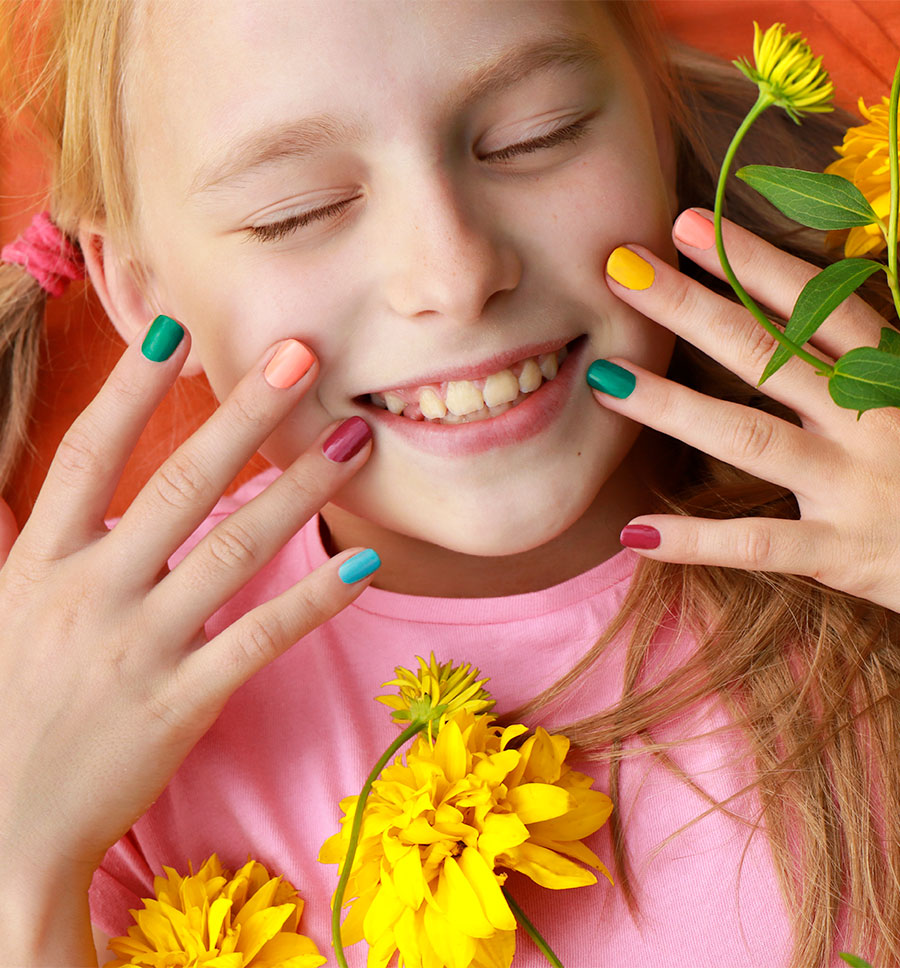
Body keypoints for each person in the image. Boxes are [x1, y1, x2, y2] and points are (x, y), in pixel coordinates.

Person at [1, 1, 898, 966]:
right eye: (297, 211)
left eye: (532, 136)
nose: (457, 271)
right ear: (140, 287)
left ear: (656, 116)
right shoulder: (90, 696)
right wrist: (24, 859)